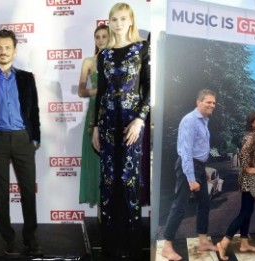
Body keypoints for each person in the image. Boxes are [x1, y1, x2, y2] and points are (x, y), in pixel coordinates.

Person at [0, 29, 42, 256]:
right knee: (1, 193)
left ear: (14, 50)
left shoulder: (26, 77)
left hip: (23, 139)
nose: (3, 51)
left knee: (27, 192)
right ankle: (8, 239)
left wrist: (35, 138)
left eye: (7, 47)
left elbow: (34, 110)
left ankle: (30, 238)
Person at [91, 3, 150, 259]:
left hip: (130, 125)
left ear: (130, 21)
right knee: (109, 182)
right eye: (113, 19)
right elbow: (100, 94)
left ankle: (131, 245)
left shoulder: (143, 48)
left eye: (122, 19)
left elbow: (149, 88)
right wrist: (95, 126)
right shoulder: (103, 54)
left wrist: (140, 119)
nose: (117, 23)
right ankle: (111, 245)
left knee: (128, 181)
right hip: (106, 125)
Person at [162, 89, 218, 261]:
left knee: (204, 204)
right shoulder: (190, 120)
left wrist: (204, 172)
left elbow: (199, 149)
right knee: (179, 206)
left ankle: (202, 241)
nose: (212, 105)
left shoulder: (204, 121)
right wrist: (192, 178)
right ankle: (167, 247)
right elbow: (186, 152)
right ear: (198, 103)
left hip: (199, 167)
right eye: (208, 102)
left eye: (214, 103)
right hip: (188, 167)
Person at [217, 111, 255, 260]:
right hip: (249, 180)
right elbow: (243, 153)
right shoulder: (251, 137)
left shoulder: (254, 136)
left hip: (251, 180)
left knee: (248, 211)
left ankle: (244, 243)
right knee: (244, 212)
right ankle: (224, 243)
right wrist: (247, 168)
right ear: (252, 122)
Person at [78, 24, 108, 207]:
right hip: (93, 115)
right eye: (98, 37)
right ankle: (99, 207)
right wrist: (101, 90)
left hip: (113, 113)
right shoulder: (89, 62)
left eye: (105, 36)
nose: (101, 40)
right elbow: (81, 91)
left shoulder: (118, 61)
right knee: (94, 157)